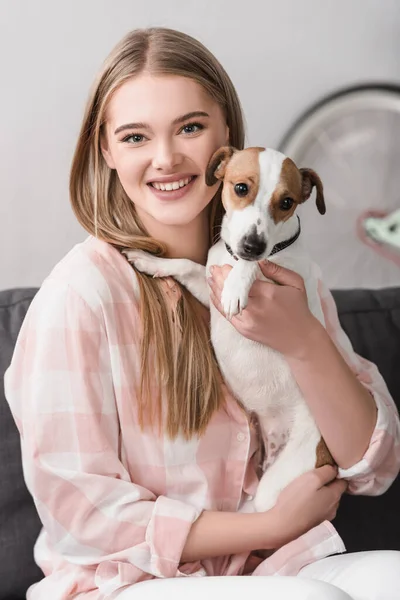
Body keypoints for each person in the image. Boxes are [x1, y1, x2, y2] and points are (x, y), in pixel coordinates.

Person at [4, 27, 400, 600]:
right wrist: (270, 526)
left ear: (226, 142)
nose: (166, 158)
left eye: (190, 127)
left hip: (265, 573)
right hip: (125, 582)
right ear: (107, 152)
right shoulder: (81, 295)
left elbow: (374, 465)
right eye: (135, 136)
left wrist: (305, 341)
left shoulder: (290, 275)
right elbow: (84, 511)